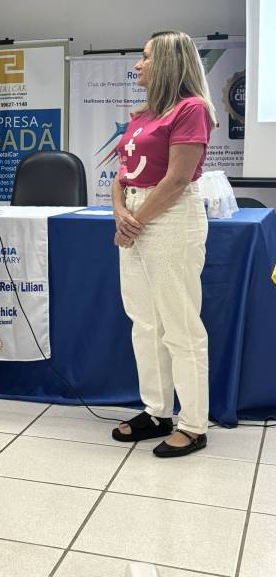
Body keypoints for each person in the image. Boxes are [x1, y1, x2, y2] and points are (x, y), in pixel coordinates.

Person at [111, 30, 216, 457]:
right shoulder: (143, 114)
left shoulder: (192, 109)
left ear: (169, 62)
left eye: (146, 56)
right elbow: (121, 174)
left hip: (171, 217)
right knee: (145, 322)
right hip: (136, 214)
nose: (138, 64)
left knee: (179, 324)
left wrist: (133, 221)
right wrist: (119, 211)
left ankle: (193, 425)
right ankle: (157, 412)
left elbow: (176, 180)